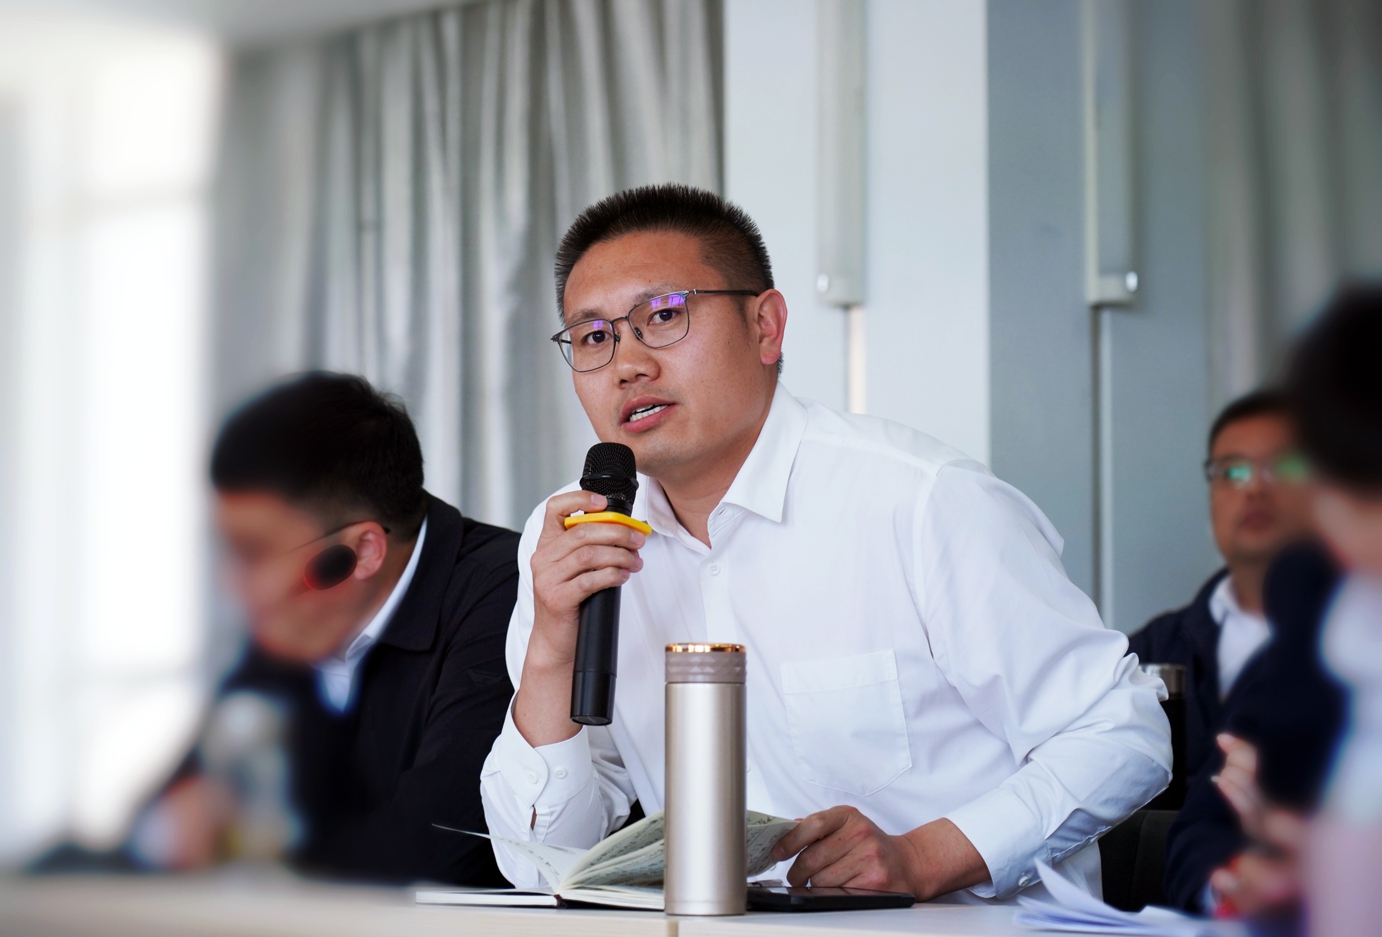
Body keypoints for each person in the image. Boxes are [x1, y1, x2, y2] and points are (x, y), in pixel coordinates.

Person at [479, 184, 1171, 903]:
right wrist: (551, 649)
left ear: (766, 327)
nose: (627, 363)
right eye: (595, 337)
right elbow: (542, 862)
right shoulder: (573, 538)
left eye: (663, 316)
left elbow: (1122, 732)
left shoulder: (920, 501)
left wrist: (927, 856)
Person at [130, 373, 519, 884]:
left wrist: (246, 848)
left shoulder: (507, 592)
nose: (231, 581)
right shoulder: (303, 609)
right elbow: (169, 815)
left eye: (252, 552)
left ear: (358, 553)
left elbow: (438, 852)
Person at [1127, 391, 1313, 780]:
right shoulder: (1153, 650)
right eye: (1232, 472)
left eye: (1283, 467)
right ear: (1211, 494)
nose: (1255, 489)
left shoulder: (1362, 639)